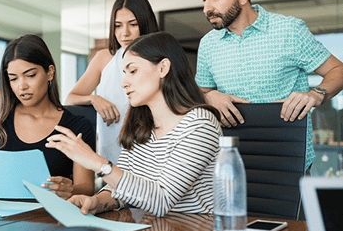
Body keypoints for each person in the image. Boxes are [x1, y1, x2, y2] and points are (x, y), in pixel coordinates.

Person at [46, 32, 222, 217]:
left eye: (133, 71)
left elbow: (161, 200)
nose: (124, 83)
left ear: (163, 68)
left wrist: (96, 162)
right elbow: (123, 188)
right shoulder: (142, 126)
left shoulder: (200, 124)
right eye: (124, 73)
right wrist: (97, 202)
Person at [194, 0, 343, 170]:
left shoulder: (289, 31)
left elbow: (338, 70)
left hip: (289, 159)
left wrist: (315, 94)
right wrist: (208, 96)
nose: (207, 8)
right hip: (231, 160)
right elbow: (200, 93)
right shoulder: (208, 44)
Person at [0, 35, 96, 207]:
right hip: (0, 221)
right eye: (13, 78)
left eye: (30, 75)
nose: (21, 86)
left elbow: (87, 187)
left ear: (50, 72)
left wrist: (70, 190)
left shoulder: (76, 125)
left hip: (50, 219)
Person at [65, 0, 159, 165]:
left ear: (145, 25)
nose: (125, 33)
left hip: (151, 157)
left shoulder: (160, 61)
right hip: (111, 157)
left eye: (133, 24)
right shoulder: (104, 58)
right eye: (118, 26)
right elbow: (70, 99)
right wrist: (94, 98)